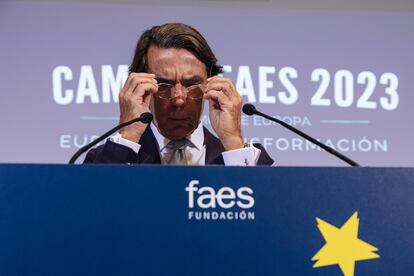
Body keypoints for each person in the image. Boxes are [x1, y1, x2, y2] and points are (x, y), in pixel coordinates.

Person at [84, 23, 273, 166]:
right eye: (164, 84)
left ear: (212, 86)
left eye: (191, 83)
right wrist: (127, 135)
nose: (179, 98)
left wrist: (233, 141)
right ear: (142, 88)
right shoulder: (106, 159)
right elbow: (94, 209)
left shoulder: (241, 159)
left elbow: (271, 211)